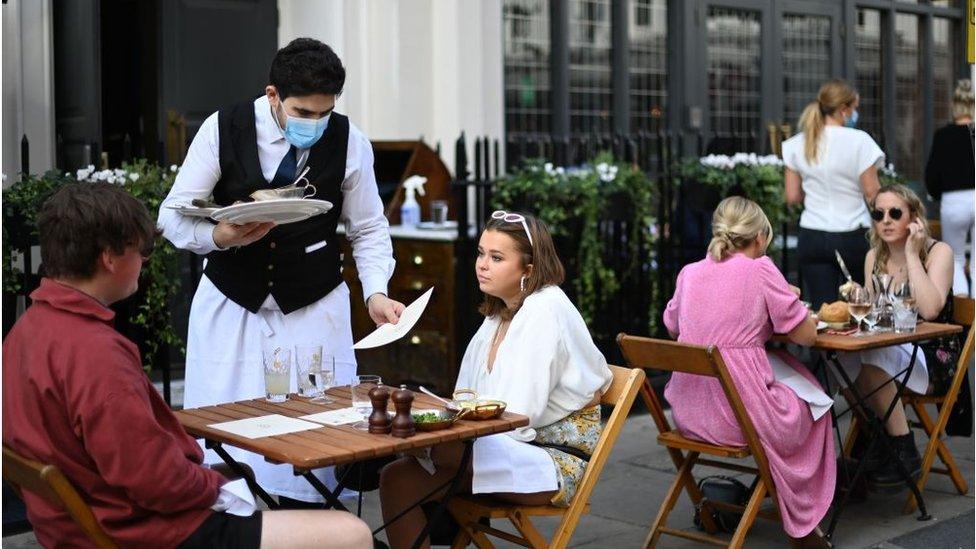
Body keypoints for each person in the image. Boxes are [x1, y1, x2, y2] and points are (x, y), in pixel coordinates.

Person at [2, 183, 372, 549]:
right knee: (350, 532)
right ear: (109, 258)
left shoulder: (27, 330)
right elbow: (152, 479)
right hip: (144, 530)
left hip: (80, 525)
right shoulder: (94, 353)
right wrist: (218, 489)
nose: (145, 260)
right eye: (142, 248)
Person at [158, 38, 404, 506]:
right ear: (273, 96)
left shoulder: (351, 141)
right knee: (225, 437)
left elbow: (369, 228)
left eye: (324, 113)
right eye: (302, 112)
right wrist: (219, 237)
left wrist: (375, 292)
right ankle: (233, 527)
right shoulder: (221, 128)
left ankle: (311, 523)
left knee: (317, 436)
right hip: (232, 307)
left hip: (314, 307)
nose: (315, 123)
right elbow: (170, 216)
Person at [378, 211, 613, 548]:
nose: (482, 265)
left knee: (427, 443)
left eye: (497, 257)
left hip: (553, 460)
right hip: (502, 445)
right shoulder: (499, 313)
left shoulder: (545, 310)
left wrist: (445, 424)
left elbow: (518, 416)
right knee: (396, 477)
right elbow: (465, 395)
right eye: (481, 253)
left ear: (528, 270)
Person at [663, 196, 833, 547]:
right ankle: (801, 508)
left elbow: (671, 326)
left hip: (690, 414)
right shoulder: (760, 268)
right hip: (739, 417)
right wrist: (791, 304)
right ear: (759, 238)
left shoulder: (690, 273)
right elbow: (806, 336)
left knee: (792, 383)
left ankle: (770, 491)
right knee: (816, 404)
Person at [837, 184, 956, 489]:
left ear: (913, 217)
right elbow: (873, 320)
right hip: (891, 350)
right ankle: (880, 438)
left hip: (932, 358)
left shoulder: (937, 252)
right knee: (839, 357)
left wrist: (912, 256)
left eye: (895, 213)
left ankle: (903, 448)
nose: (886, 220)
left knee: (872, 355)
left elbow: (929, 309)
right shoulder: (873, 257)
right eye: (879, 214)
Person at [783, 78, 884, 308]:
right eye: (855, 108)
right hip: (853, 233)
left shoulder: (798, 143)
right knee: (862, 306)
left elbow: (791, 196)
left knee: (823, 311)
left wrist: (814, 194)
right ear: (843, 109)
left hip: (813, 234)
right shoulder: (860, 141)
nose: (855, 113)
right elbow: (872, 193)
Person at [925, 78, 975, 297]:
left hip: (953, 202)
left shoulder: (943, 135)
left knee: (954, 258)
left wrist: (937, 194)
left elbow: (932, 175)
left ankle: (963, 314)